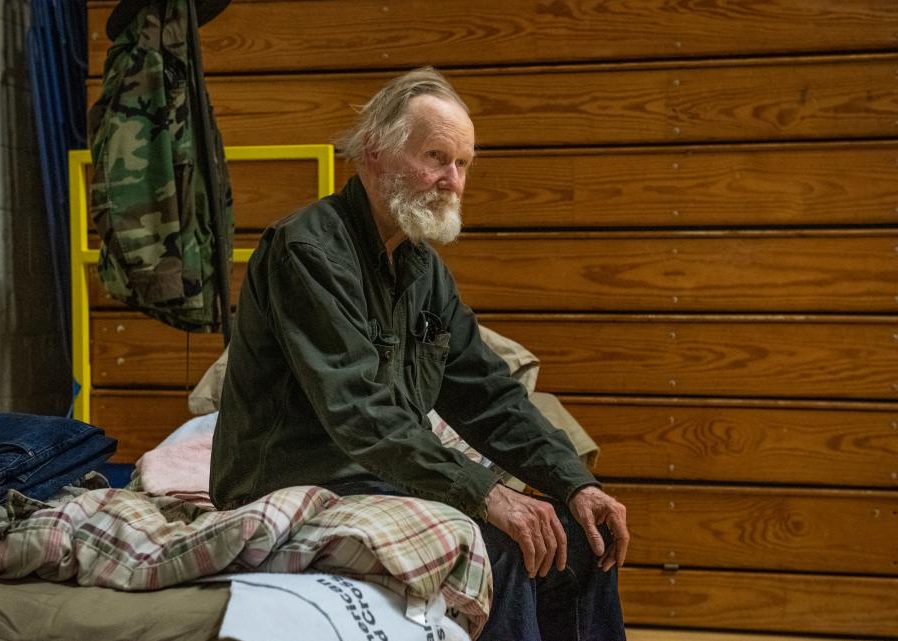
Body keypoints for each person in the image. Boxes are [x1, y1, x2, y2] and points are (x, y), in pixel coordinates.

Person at [210, 66, 629, 641]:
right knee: (499, 547)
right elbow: (360, 413)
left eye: (463, 165)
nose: (452, 181)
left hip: (382, 476)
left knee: (579, 542)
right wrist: (485, 493)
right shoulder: (307, 250)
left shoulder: (423, 268)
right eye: (437, 157)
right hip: (301, 479)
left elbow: (488, 393)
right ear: (375, 153)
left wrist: (574, 483)